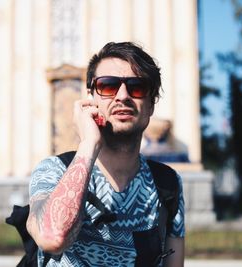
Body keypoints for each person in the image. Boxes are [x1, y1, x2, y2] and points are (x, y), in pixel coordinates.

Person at [26, 42, 185, 267]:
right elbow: (52, 238)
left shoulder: (167, 183)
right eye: (108, 86)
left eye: (137, 87)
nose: (122, 96)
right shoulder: (53, 170)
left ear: (151, 104)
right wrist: (89, 143)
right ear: (91, 98)